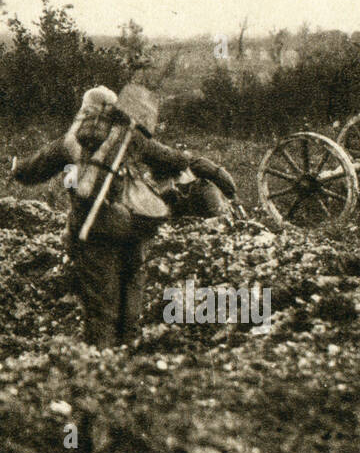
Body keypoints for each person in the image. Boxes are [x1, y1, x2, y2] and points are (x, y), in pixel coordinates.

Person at [12, 83, 236, 347]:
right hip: (131, 228)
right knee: (131, 288)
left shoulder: (70, 141)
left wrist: (16, 167)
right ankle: (129, 350)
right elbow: (173, 160)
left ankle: (104, 359)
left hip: (91, 231)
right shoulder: (131, 137)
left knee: (101, 306)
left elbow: (30, 172)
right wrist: (195, 163)